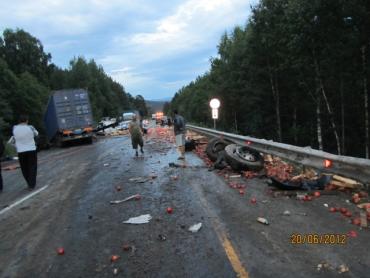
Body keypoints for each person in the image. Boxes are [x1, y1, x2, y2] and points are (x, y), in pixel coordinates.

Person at [11, 115, 39, 190]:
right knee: (32, 167)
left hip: (21, 151)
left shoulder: (14, 128)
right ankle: (32, 184)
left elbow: (12, 140)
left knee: (24, 168)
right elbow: (36, 134)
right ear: (26, 120)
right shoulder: (30, 127)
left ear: (19, 121)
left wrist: (16, 146)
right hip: (31, 150)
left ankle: (28, 183)